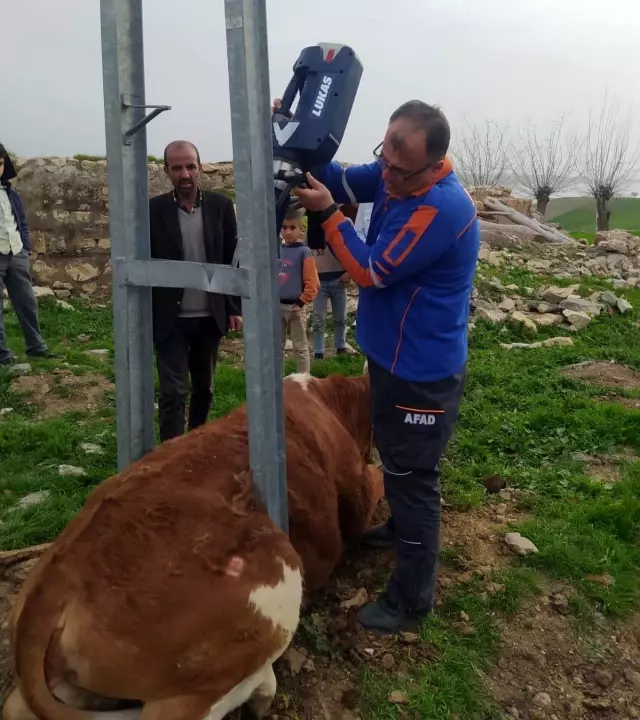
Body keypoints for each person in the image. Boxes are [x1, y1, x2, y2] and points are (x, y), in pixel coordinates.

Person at [291, 100, 480, 634]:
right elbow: (345, 179)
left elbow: (371, 271)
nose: (387, 175)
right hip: (391, 358)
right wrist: (297, 145)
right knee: (396, 458)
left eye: (400, 170)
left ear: (433, 163)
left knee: (415, 477)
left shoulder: (439, 209)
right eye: (386, 158)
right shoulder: (399, 171)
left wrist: (328, 214)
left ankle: (411, 597)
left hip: (419, 372)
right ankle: (401, 527)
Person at [149, 140, 242, 442]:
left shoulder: (221, 207)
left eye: (190, 166)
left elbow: (231, 257)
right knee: (173, 392)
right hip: (170, 318)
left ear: (200, 167)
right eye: (177, 167)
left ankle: (197, 444)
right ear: (166, 171)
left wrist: (233, 307)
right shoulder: (153, 210)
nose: (185, 174)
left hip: (209, 316)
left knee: (205, 388)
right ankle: (171, 452)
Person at [0, 143, 59, 366]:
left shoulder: (10, 192)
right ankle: (3, 356)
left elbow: (21, 221)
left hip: (16, 253)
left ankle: (36, 347)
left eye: (0, 163)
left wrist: (24, 247)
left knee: (26, 301)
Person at [278, 206, 319, 373]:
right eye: (284, 227)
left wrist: (302, 302)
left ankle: (304, 381)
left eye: (292, 227)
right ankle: (277, 383)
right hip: (278, 306)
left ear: (300, 228)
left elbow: (313, 282)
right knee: (277, 348)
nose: (288, 232)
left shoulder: (304, 251)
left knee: (300, 347)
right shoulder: (277, 250)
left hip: (296, 307)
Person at [306, 209, 349, 360]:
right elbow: (307, 254)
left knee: (340, 317)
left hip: (339, 278)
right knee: (318, 318)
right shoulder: (312, 228)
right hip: (319, 281)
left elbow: (352, 250)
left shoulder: (343, 224)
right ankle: (318, 351)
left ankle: (340, 346)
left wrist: (349, 272)